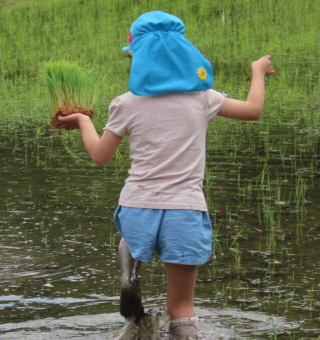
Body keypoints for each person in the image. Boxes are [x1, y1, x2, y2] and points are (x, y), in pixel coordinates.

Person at [57, 11, 274, 338]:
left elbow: (100, 157)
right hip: (184, 210)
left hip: (136, 207)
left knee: (134, 236)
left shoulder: (126, 103)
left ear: (138, 57)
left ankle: (131, 254)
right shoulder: (204, 98)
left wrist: (83, 122)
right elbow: (254, 110)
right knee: (182, 307)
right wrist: (257, 72)